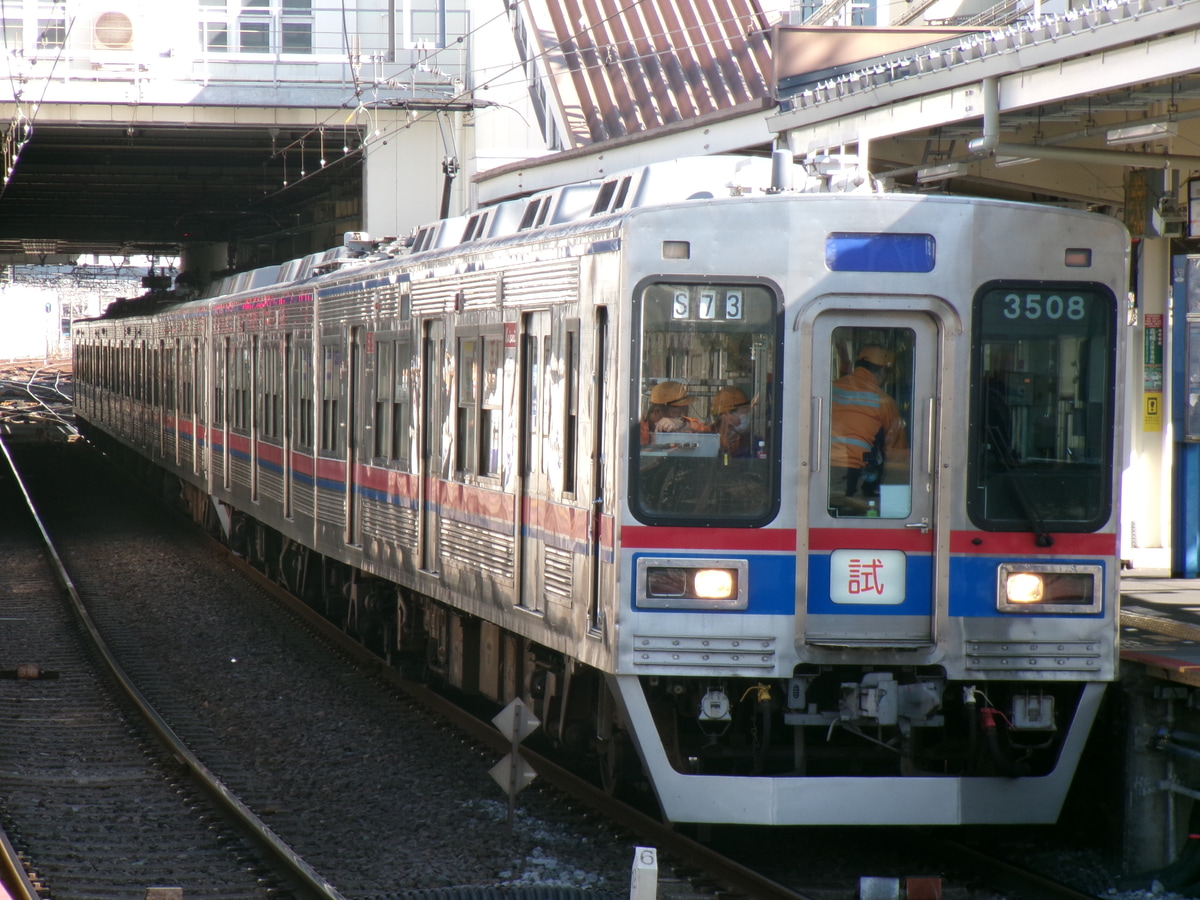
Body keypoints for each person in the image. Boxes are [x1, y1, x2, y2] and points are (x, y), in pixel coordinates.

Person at [829, 345, 907, 514]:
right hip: (852, 476)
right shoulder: (884, 402)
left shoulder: (830, 388)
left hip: (818, 469)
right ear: (882, 372)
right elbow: (897, 453)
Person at [640, 380, 707, 444]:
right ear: (658, 412)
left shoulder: (682, 425)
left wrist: (683, 424)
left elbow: (707, 431)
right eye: (677, 416)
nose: (684, 414)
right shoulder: (638, 431)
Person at [709, 386, 757, 458]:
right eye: (744, 411)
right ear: (726, 415)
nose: (748, 415)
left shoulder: (752, 440)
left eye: (748, 410)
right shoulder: (711, 440)